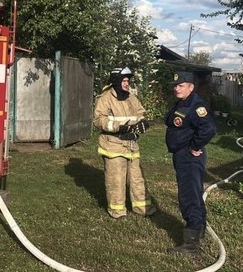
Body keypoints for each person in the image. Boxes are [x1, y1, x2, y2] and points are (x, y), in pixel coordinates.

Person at [93, 66, 156, 219]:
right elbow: (98, 120)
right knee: (116, 180)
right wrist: (120, 127)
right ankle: (117, 210)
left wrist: (143, 122)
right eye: (125, 80)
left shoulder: (131, 97)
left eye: (128, 80)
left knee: (137, 178)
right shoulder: (105, 98)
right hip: (113, 145)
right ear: (116, 80)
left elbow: (141, 112)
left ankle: (143, 207)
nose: (127, 84)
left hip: (132, 145)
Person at [165, 71, 217, 255]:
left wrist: (195, 145)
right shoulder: (183, 103)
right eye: (175, 85)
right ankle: (199, 231)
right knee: (194, 194)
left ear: (191, 87)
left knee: (189, 196)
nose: (176, 88)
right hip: (182, 155)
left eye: (181, 85)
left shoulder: (196, 106)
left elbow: (209, 128)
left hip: (189, 157)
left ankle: (191, 244)